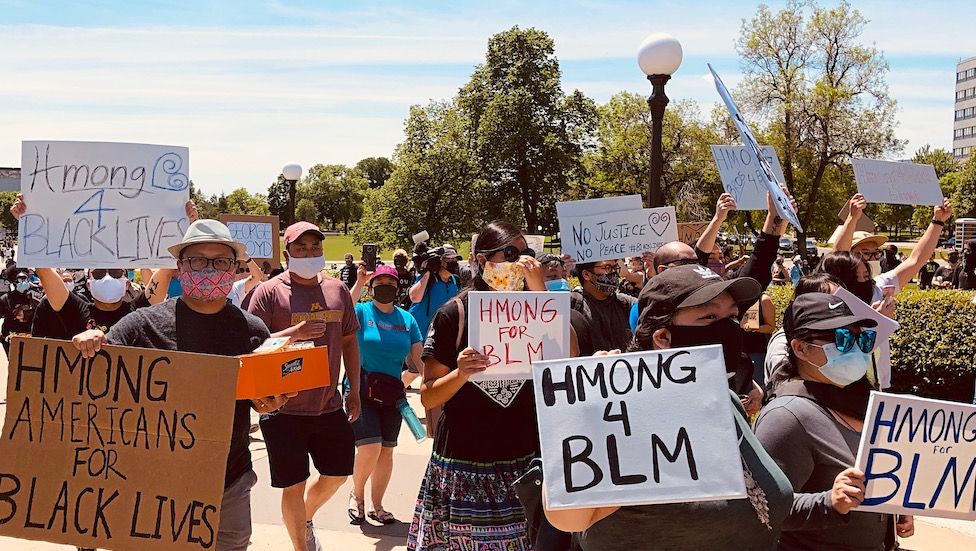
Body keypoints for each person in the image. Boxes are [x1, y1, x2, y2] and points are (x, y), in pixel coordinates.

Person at [70, 219, 294, 551]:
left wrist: (272, 403)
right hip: (152, 490)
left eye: (219, 261)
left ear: (234, 268)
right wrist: (87, 345)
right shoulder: (140, 325)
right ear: (180, 267)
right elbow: (89, 383)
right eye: (197, 260)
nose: (208, 268)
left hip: (228, 486)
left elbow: (263, 397)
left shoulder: (252, 330)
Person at [545, 264, 795, 549]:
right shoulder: (623, 417)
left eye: (732, 316)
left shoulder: (722, 399)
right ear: (663, 337)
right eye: (710, 316)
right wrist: (584, 412)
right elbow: (569, 518)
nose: (728, 328)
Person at [409, 220, 562, 550]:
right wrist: (461, 373)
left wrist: (540, 292)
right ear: (481, 259)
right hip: (468, 461)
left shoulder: (538, 308)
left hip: (524, 457)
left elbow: (564, 358)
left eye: (526, 254)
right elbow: (428, 395)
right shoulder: (454, 313)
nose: (520, 262)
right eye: (509, 253)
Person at [756, 293, 914, 550]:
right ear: (800, 348)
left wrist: (892, 508)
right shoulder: (786, 417)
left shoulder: (857, 401)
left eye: (861, 338)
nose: (854, 347)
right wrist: (830, 502)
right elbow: (761, 509)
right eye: (840, 339)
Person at [246, 221, 360, 551]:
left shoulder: (338, 290)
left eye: (315, 248)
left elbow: (350, 341)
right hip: (282, 407)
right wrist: (292, 334)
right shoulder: (268, 292)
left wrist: (354, 389)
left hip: (328, 404)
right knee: (293, 484)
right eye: (301, 248)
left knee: (338, 474)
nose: (309, 254)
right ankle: (301, 544)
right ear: (287, 253)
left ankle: (302, 519)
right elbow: (251, 343)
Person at [345, 265, 424, 525]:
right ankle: (357, 496)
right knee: (370, 447)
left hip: (392, 394)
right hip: (360, 389)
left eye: (391, 281)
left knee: (386, 452)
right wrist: (359, 281)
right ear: (371, 287)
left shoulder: (407, 320)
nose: (385, 286)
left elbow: (419, 358)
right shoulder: (361, 311)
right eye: (380, 282)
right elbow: (342, 307)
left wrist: (437, 384)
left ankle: (378, 505)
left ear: (398, 286)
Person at [834, 193, 953, 301]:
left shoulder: (881, 286)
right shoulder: (837, 287)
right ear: (849, 256)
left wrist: (938, 220)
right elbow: (838, 255)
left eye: (876, 253)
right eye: (865, 253)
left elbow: (916, 260)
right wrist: (852, 217)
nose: (873, 258)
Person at [763, 273, 843, 386]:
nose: (840, 305)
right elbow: (782, 385)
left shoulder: (840, 333)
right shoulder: (782, 342)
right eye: (831, 300)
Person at [570, 258, 636, 356]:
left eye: (615, 267)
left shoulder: (625, 303)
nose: (613, 273)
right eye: (607, 267)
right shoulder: (573, 305)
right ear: (586, 274)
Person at [0, 265, 41, 354]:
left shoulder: (35, 296)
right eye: (20, 280)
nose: (24, 282)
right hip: (12, 336)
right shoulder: (5, 298)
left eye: (25, 279)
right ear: (14, 282)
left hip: (31, 335)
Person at [743, 292, 776, 386]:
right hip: (740, 349)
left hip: (756, 349)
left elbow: (771, 327)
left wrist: (754, 328)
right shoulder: (737, 297)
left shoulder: (763, 299)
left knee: (759, 385)